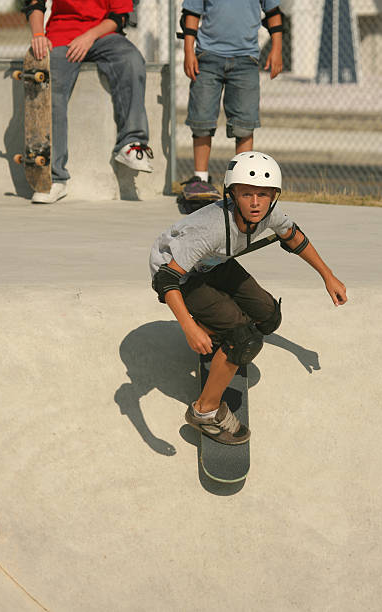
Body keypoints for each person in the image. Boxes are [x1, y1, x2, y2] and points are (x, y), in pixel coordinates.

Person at [150, 152, 347, 445]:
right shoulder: (210, 228)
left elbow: (293, 236)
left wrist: (327, 275)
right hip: (181, 275)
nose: (255, 203)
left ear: (273, 197)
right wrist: (189, 328)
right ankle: (205, 412)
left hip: (214, 262)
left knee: (268, 317)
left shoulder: (269, 213)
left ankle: (219, 334)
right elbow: (165, 278)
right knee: (245, 340)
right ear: (232, 195)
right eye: (246, 194)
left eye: (263, 195)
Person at [23, 0, 153, 204]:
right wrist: (38, 34)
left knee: (131, 61)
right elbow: (34, 3)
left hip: (103, 35)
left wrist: (89, 36)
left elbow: (119, 17)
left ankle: (131, 143)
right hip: (61, 35)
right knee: (50, 82)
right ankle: (53, 178)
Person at [178, 0, 283, 204]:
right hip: (207, 58)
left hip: (246, 60)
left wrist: (277, 48)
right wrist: (188, 51)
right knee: (202, 119)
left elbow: (274, 12)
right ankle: (200, 178)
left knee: (244, 123)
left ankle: (244, 182)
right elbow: (191, 13)